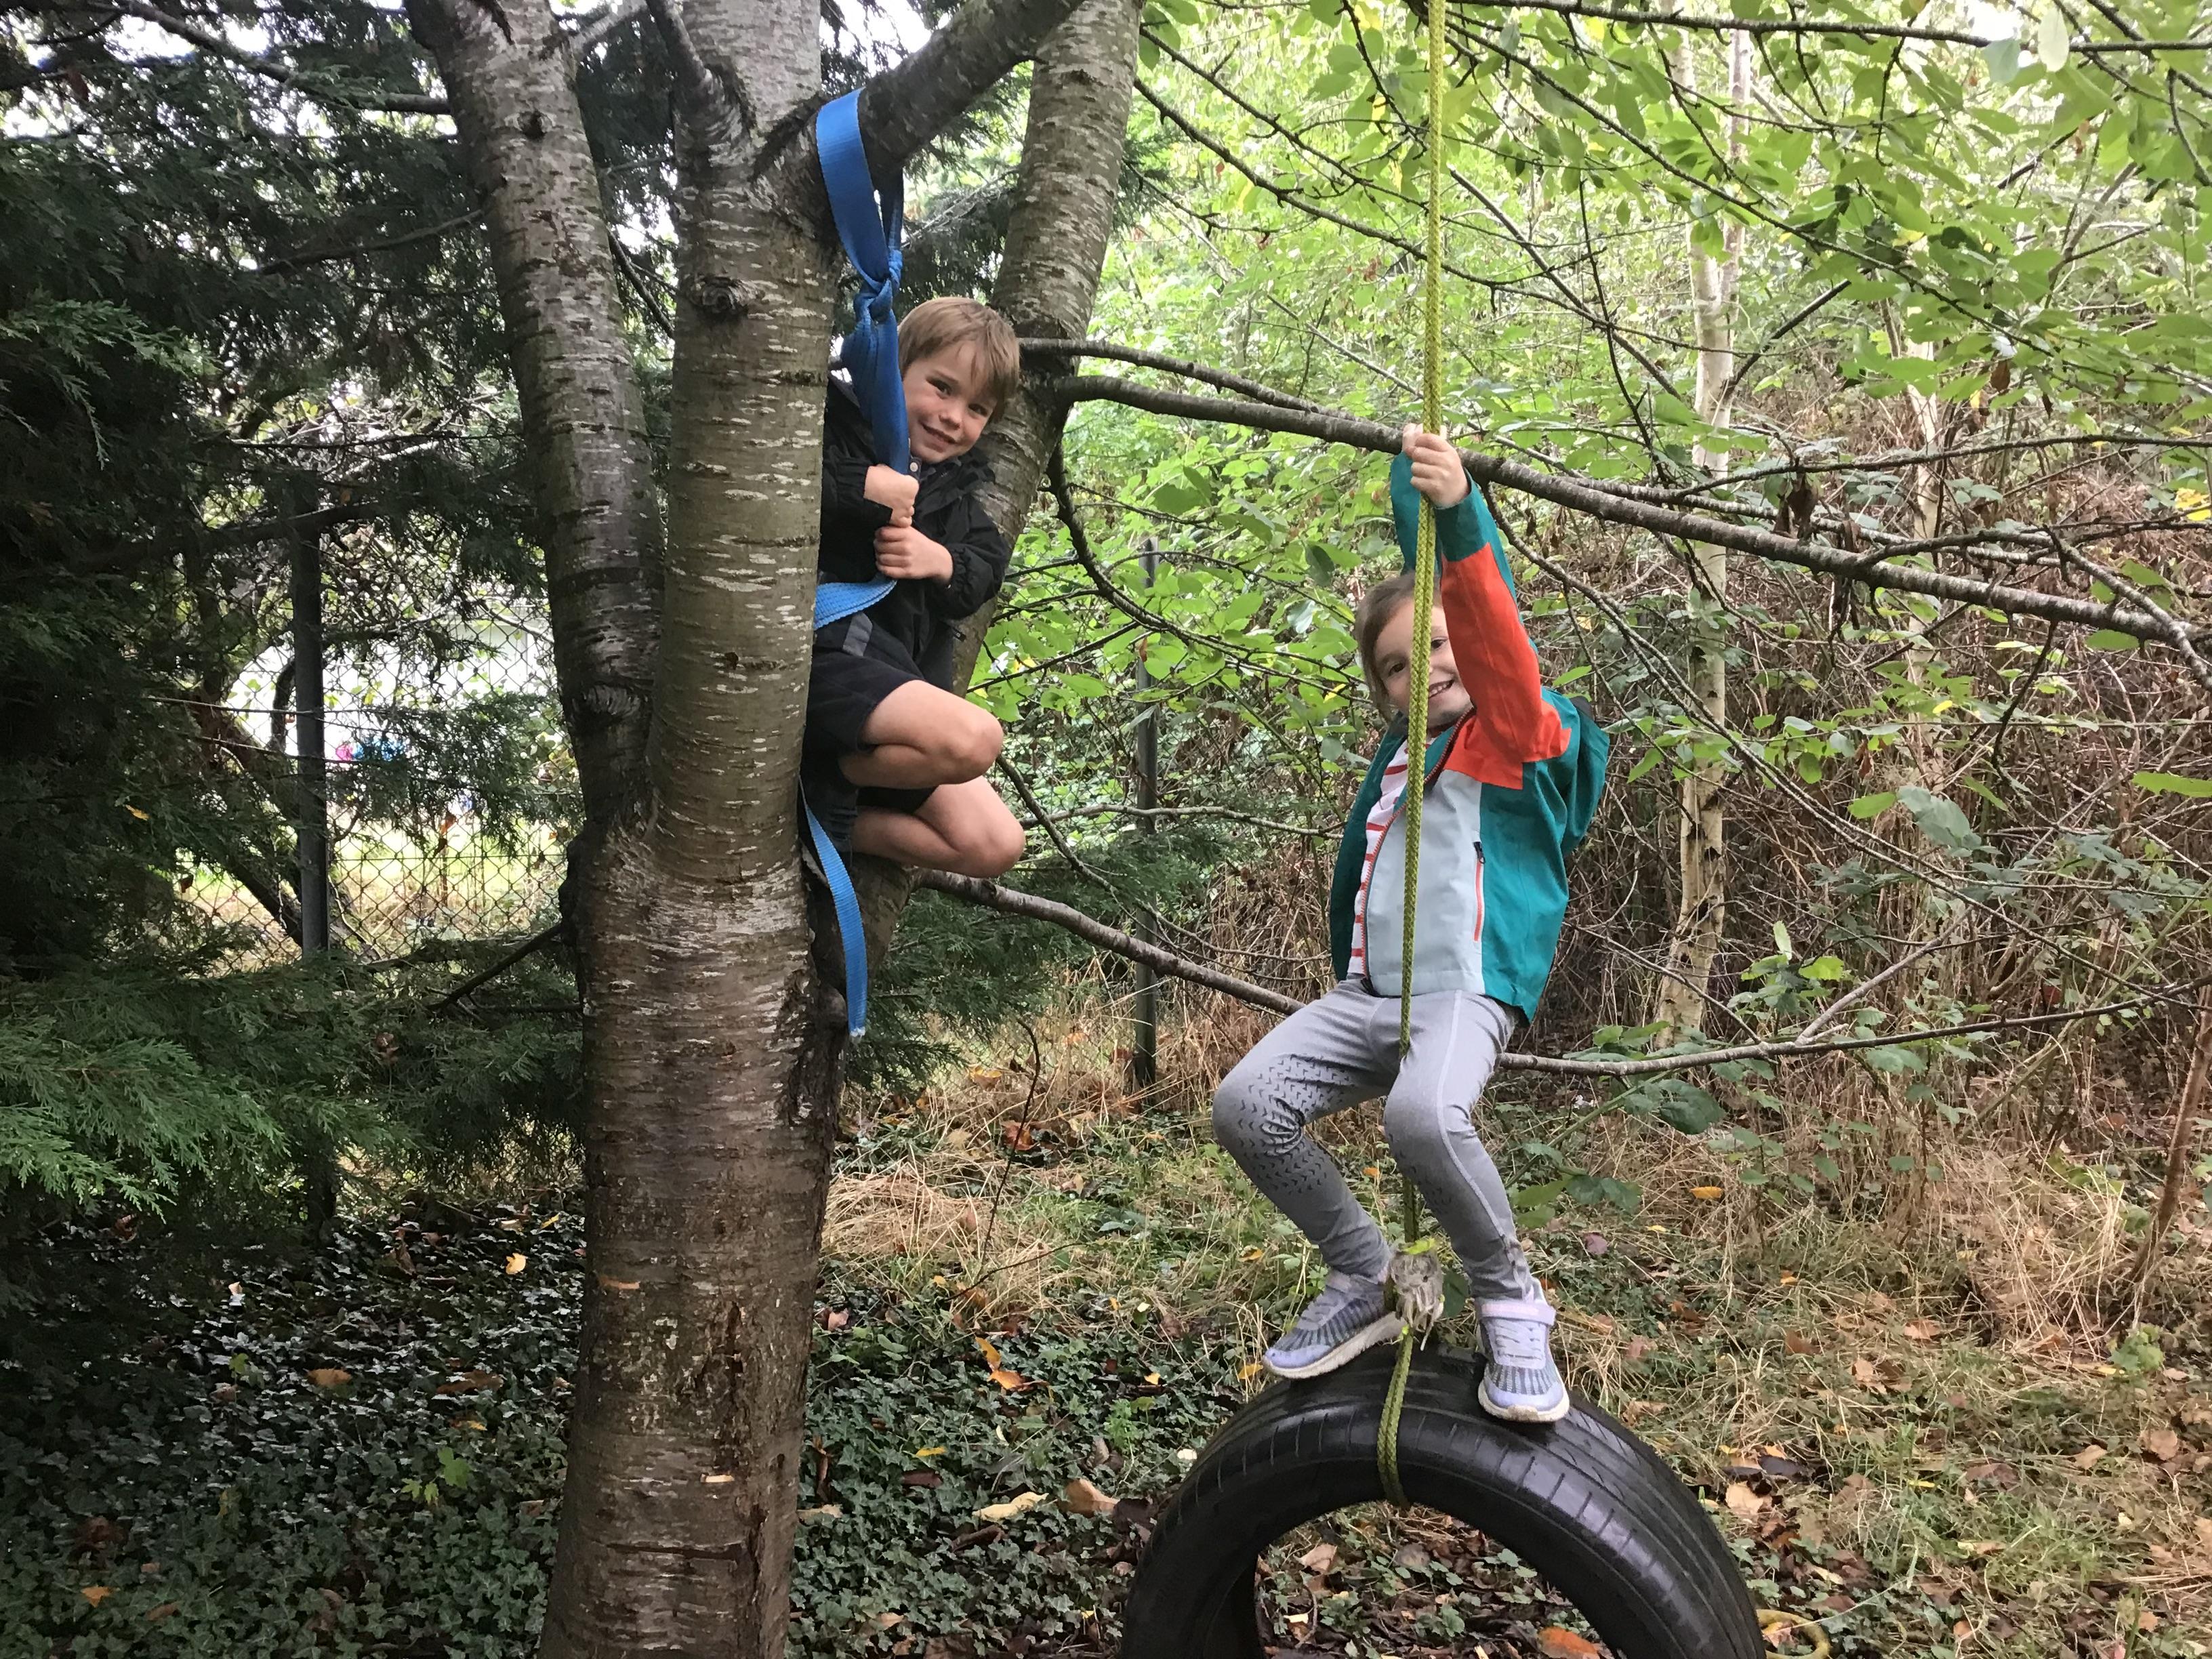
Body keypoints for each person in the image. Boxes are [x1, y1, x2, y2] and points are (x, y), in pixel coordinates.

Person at [1210, 426, 1610, 1422]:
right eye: (1396, 665)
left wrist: (1452, 511)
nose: (1422, 670)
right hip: (1371, 998)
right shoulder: (1395, 762)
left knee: (1423, 1118)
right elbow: (1361, 883)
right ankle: (1364, 1272)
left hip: (1463, 995)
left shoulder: (1519, 737)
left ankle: (1511, 1300)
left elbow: (1493, 637)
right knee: (1246, 1105)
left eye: (1436, 645)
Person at [806, 296, 1027, 877]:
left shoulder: (954, 492)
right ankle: (826, 780)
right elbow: (776, 481)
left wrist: (940, 561)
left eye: (977, 408)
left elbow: (985, 566)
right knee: (975, 740)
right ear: (895, 368)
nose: (954, 417)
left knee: (995, 845)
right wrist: (862, 484)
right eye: (942, 388)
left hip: (890, 695)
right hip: (824, 660)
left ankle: (830, 814)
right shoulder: (835, 425)